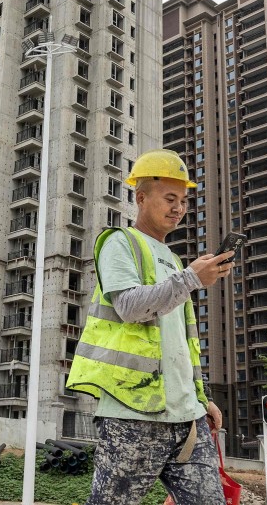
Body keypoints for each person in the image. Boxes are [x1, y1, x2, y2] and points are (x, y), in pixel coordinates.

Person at [66, 149, 235, 504]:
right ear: (141, 198)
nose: (179, 208)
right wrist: (191, 278)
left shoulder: (173, 260)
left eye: (183, 200)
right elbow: (129, 307)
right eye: (170, 198)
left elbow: (182, 344)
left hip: (188, 420)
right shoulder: (119, 243)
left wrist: (201, 399)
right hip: (132, 414)